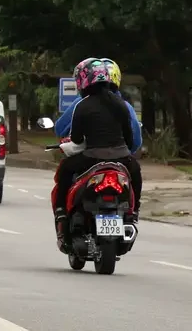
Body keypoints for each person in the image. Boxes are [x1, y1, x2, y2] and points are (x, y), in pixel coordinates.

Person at [52, 57, 142, 252]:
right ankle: (134, 212)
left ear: (83, 81)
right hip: (121, 158)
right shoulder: (121, 105)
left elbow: (75, 139)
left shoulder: (82, 106)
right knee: (136, 172)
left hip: (92, 158)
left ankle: (61, 212)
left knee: (65, 171)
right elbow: (129, 137)